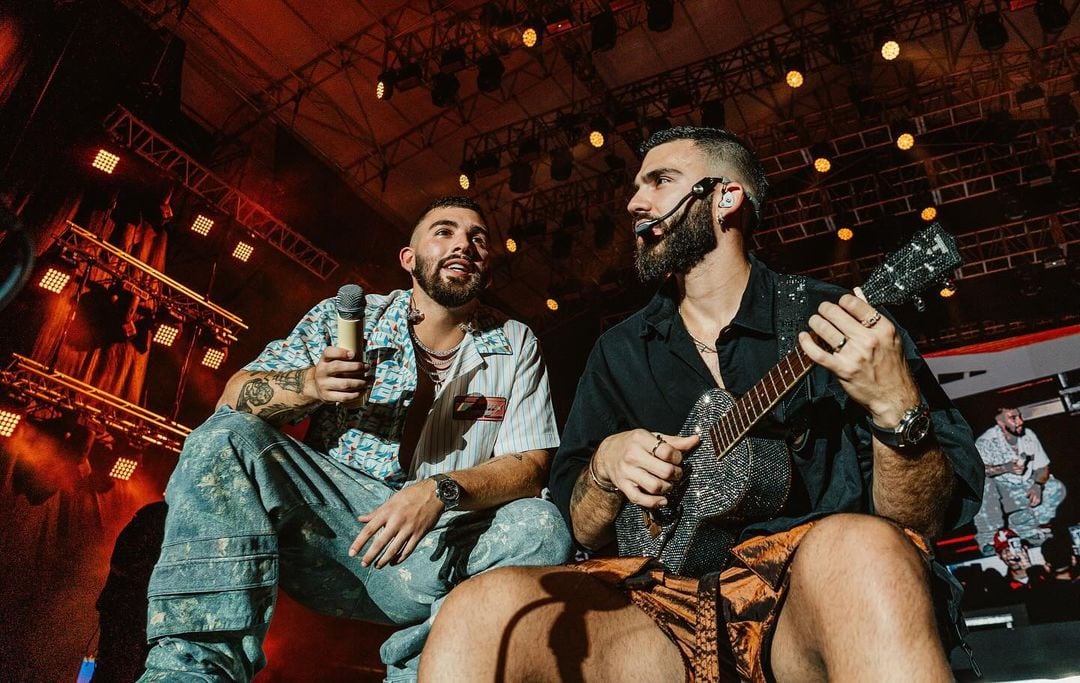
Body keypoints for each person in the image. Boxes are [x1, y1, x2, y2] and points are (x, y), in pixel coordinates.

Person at [420, 128, 983, 682]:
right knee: (477, 610)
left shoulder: (839, 321)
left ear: (726, 197)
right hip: (658, 606)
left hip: (813, 590)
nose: (635, 203)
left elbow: (920, 524)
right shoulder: (619, 352)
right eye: (637, 187)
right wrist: (606, 467)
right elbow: (582, 530)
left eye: (660, 181)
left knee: (866, 549)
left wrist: (896, 411)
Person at [139, 196, 572, 682]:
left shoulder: (515, 342)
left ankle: (427, 669)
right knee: (227, 437)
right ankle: (192, 672)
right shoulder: (348, 318)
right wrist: (309, 384)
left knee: (542, 525)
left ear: (487, 268)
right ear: (408, 259)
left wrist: (437, 491)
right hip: (333, 532)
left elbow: (531, 466)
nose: (463, 244)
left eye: (478, 238)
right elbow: (233, 399)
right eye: (444, 231)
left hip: (435, 550)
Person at [973, 407, 1067, 552]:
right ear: (1000, 422)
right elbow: (977, 472)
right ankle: (990, 539)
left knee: (1055, 487)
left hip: (1023, 489)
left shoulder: (1029, 436)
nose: (1020, 421)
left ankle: (1027, 530)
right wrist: (1005, 468)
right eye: (1013, 418)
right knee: (983, 485)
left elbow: (1043, 467)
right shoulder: (985, 442)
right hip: (999, 493)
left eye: (1020, 416)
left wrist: (1037, 485)